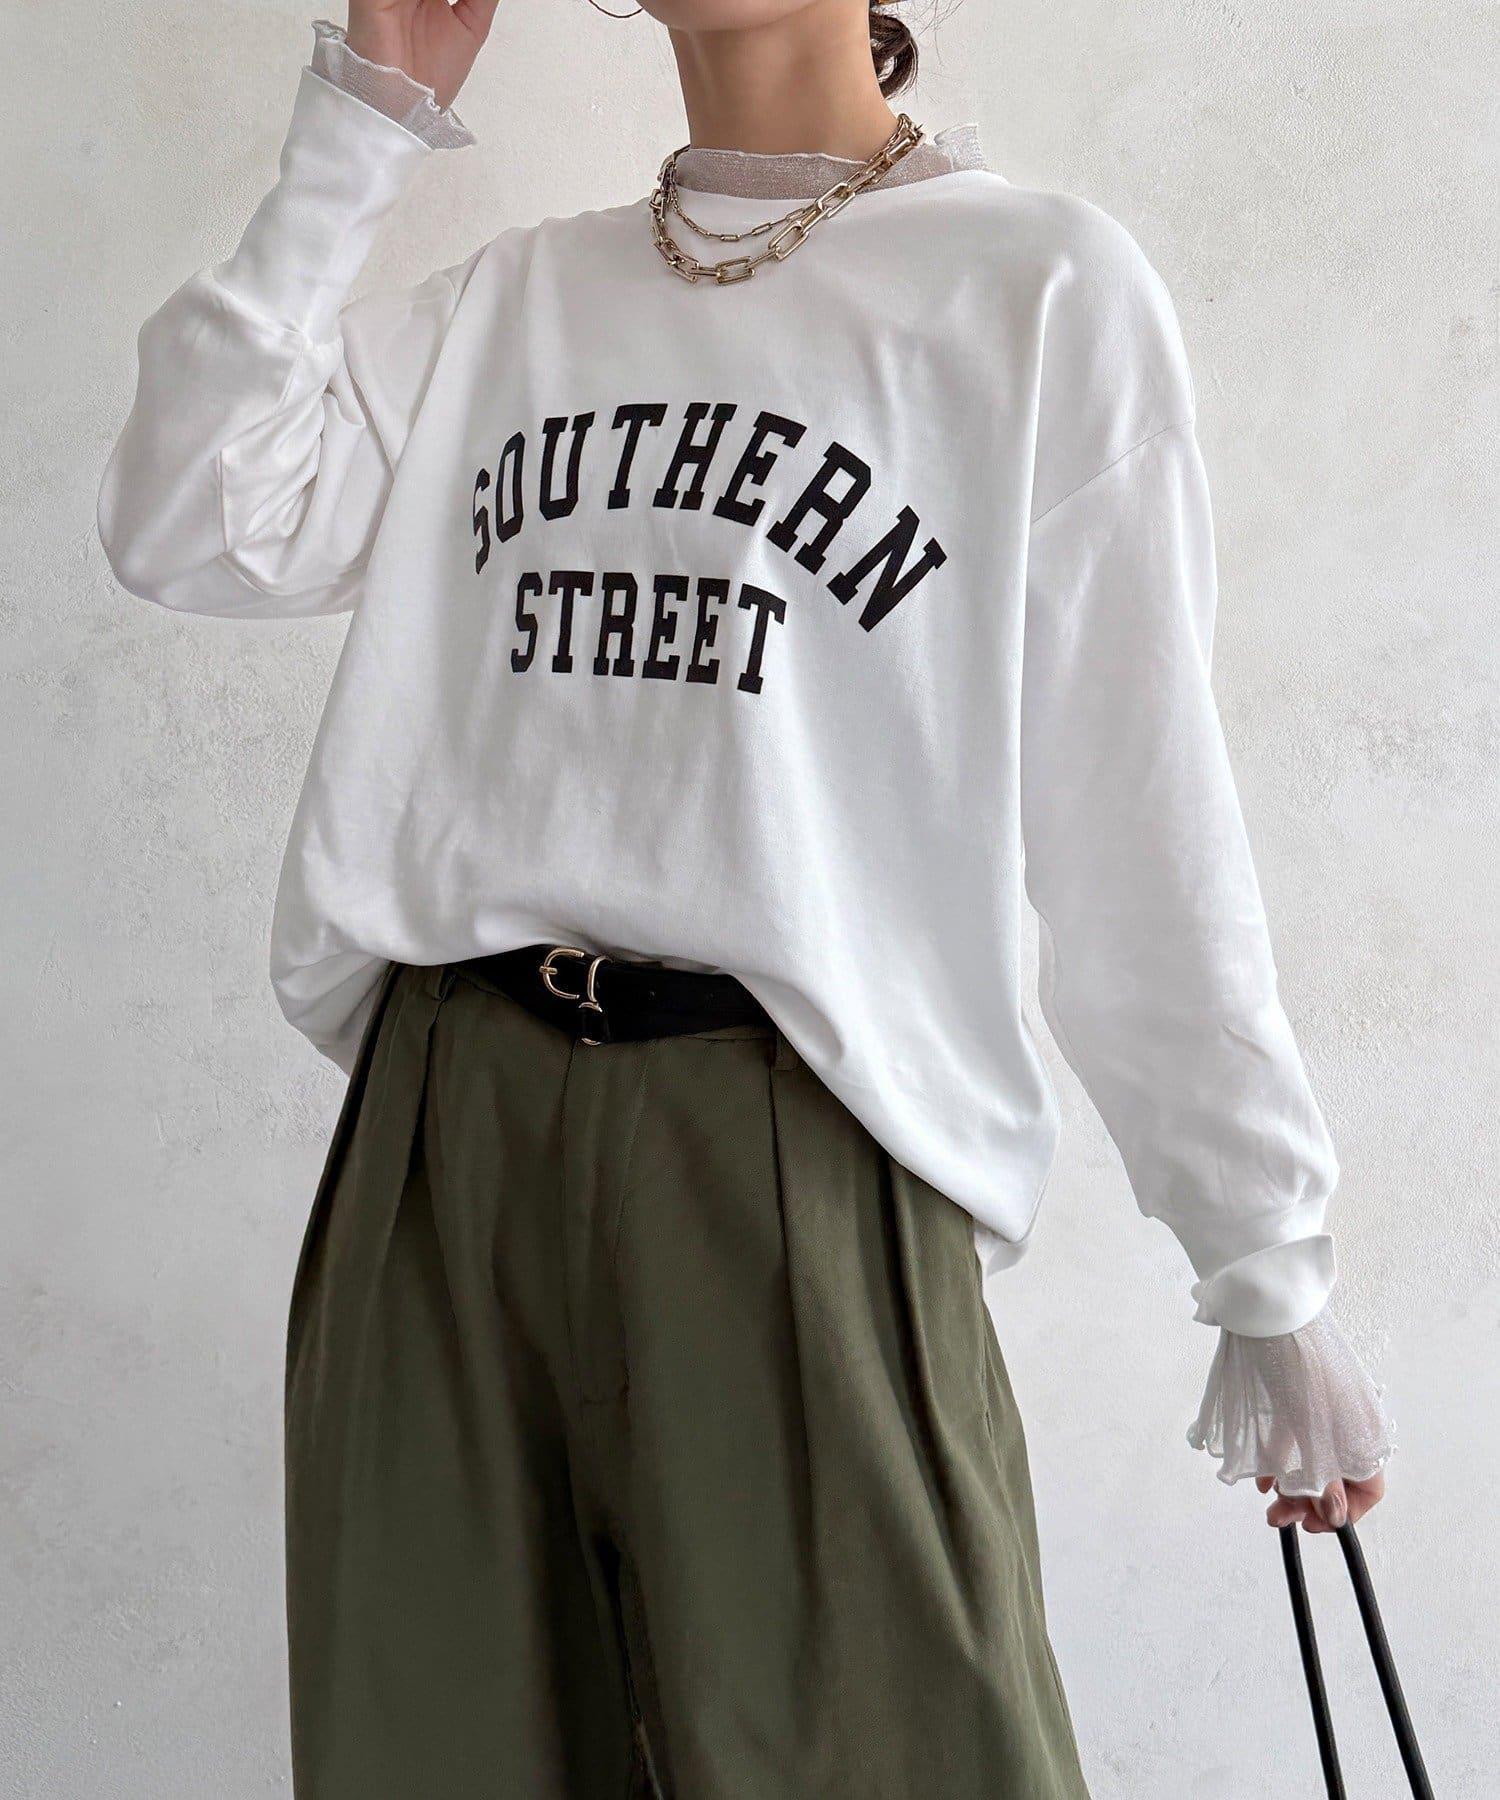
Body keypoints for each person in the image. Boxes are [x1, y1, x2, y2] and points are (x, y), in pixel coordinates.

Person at [97, 1, 1396, 1793]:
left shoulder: (1037, 290)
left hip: (798, 1146)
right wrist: (368, 115)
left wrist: (1264, 1262)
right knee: (431, 1755)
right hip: (443, 1131)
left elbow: (1138, 810)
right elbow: (186, 517)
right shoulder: (518, 301)